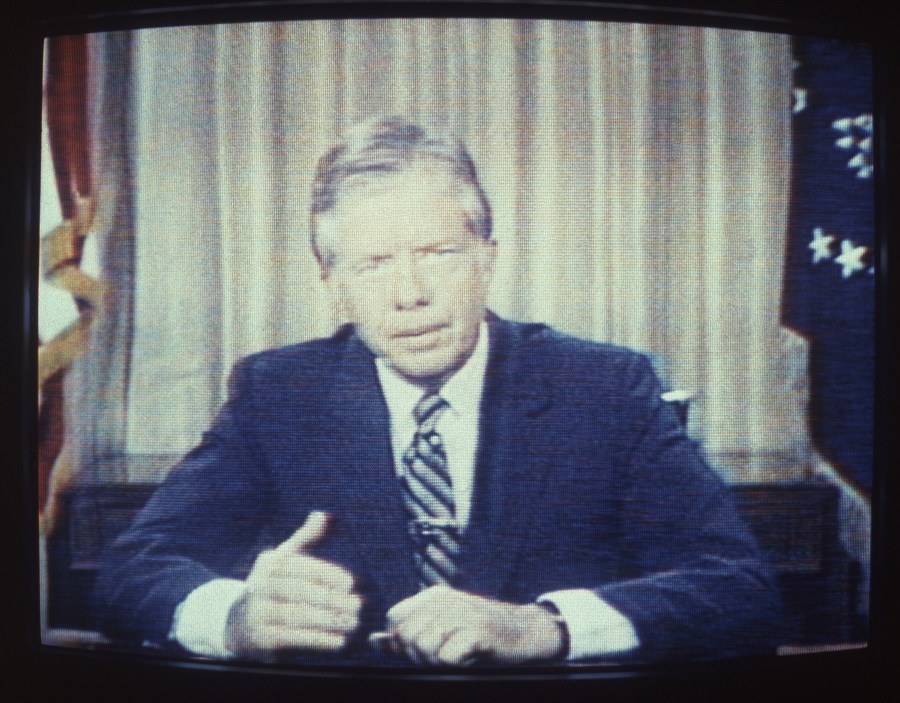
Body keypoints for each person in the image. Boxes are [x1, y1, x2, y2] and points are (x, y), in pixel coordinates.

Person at [96, 116, 778, 667]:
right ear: (332, 281)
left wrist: (544, 626)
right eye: (373, 264)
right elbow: (129, 572)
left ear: (488, 255)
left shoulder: (602, 386)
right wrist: (236, 615)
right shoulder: (279, 394)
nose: (411, 294)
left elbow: (742, 589)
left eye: (438, 253)